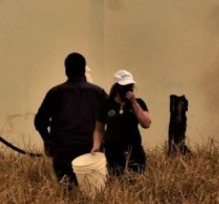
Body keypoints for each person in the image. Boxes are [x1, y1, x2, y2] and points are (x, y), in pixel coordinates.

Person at [34, 52, 108, 187]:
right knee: (92, 190)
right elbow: (112, 118)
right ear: (84, 70)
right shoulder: (98, 93)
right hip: (91, 149)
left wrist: (48, 140)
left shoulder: (55, 93)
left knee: (67, 190)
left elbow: (39, 121)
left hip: (63, 150)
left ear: (66, 70)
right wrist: (103, 141)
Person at [92, 70, 151, 177]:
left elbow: (146, 123)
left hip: (134, 149)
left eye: (130, 87)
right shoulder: (106, 105)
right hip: (112, 151)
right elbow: (99, 129)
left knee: (135, 180)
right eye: (125, 87)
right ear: (117, 88)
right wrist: (96, 145)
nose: (128, 90)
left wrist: (133, 102)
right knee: (116, 180)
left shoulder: (139, 103)